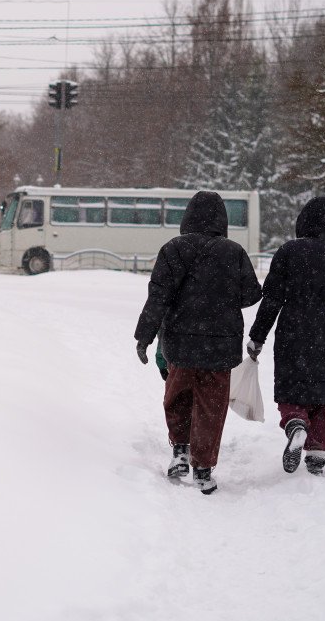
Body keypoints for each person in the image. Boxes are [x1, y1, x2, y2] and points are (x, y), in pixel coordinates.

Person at [135, 191, 262, 494]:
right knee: (211, 405)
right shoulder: (233, 251)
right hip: (220, 346)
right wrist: (221, 297)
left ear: (187, 217)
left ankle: (180, 451)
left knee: (177, 397)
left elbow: (158, 298)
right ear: (222, 220)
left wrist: (145, 337)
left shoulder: (173, 249)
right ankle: (203, 468)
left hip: (180, 343)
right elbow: (251, 295)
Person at [246, 196, 325, 476]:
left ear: (302, 222)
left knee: (293, 389)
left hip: (294, 333)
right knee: (321, 397)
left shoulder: (289, 252)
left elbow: (272, 299)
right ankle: (316, 454)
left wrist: (258, 336)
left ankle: (295, 424)